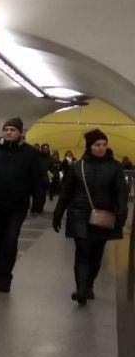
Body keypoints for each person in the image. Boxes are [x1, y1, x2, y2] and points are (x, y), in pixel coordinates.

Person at [0, 116, 48, 292]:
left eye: (12, 130)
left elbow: (39, 182)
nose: (8, 132)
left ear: (20, 132)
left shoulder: (30, 154)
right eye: (6, 129)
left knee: (10, 239)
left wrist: (37, 205)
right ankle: (0, 271)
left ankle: (6, 276)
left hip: (17, 206)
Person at [52, 129, 127, 304]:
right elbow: (66, 193)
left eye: (104, 144)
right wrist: (58, 213)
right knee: (82, 251)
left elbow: (121, 193)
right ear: (89, 147)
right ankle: (81, 289)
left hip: (104, 216)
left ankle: (89, 285)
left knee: (96, 253)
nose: (101, 148)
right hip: (79, 214)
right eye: (97, 145)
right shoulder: (77, 166)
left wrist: (121, 214)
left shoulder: (115, 167)